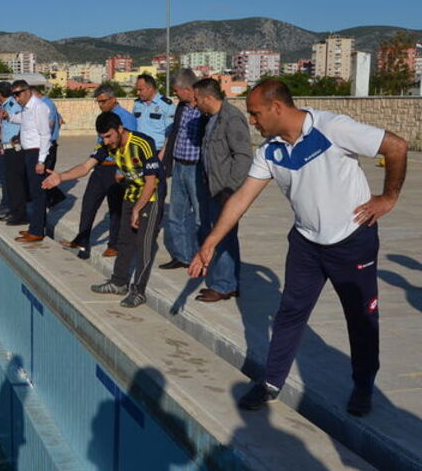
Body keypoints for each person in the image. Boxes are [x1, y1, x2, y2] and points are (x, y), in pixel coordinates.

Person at [188, 79, 408, 416]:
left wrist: (388, 197)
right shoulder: (270, 151)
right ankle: (271, 381)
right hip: (306, 243)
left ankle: (363, 387)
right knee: (290, 311)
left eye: (255, 113)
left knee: (361, 318)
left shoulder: (332, 128)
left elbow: (396, 147)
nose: (252, 121)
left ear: (276, 107)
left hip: (352, 241)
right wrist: (210, 242)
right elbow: (242, 198)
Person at [45, 112, 165, 307]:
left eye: (109, 136)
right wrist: (61, 177)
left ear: (120, 129)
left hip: (151, 196)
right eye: (103, 137)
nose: (107, 141)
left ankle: (138, 291)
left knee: (143, 244)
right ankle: (118, 283)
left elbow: (151, 183)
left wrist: (137, 209)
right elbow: (85, 167)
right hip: (131, 193)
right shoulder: (106, 145)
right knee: (124, 240)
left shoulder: (142, 143)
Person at [190, 78, 252, 302]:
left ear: (207, 98)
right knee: (223, 235)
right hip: (213, 187)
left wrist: (231, 188)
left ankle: (224, 285)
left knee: (224, 236)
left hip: (225, 191)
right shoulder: (212, 119)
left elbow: (243, 156)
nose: (194, 104)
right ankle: (229, 282)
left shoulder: (231, 118)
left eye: (196, 99)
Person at [59, 84, 137, 259]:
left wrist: (121, 170)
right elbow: (97, 150)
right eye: (98, 102)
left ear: (113, 99)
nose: (101, 105)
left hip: (115, 168)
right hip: (101, 165)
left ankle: (114, 244)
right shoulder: (103, 118)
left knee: (115, 208)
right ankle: (82, 240)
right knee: (89, 203)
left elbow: (128, 147)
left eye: (103, 101)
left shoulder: (126, 118)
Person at [159, 69, 204, 270]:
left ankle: (202, 257)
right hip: (179, 166)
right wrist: (165, 159)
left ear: (187, 89)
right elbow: (175, 133)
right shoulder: (182, 107)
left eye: (176, 90)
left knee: (201, 216)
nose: (175, 94)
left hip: (197, 168)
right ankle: (183, 256)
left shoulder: (204, 108)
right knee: (177, 214)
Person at [8, 80, 52, 242]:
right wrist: (8, 116)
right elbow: (22, 120)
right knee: (32, 192)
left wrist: (41, 160)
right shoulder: (26, 109)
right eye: (14, 95)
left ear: (27, 91)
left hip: (36, 153)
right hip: (28, 152)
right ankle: (34, 226)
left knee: (37, 193)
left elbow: (45, 134)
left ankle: (37, 231)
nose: (16, 98)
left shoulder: (38, 107)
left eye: (18, 94)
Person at [0, 82, 27, 226]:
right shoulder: (6, 105)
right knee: (10, 182)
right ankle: (13, 210)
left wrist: (18, 140)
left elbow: (22, 122)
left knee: (15, 183)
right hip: (8, 148)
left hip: (15, 147)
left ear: (0, 93)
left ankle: (19, 213)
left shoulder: (13, 104)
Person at [33, 86, 66, 208]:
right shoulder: (45, 103)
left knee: (45, 173)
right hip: (45, 143)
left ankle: (56, 196)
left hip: (49, 144)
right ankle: (50, 198)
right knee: (42, 174)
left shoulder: (46, 104)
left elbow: (50, 123)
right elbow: (60, 120)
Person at [132, 73, 175, 153]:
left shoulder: (166, 105)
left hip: (158, 151)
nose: (137, 93)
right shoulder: (137, 104)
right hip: (139, 150)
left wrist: (162, 154)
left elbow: (170, 134)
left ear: (150, 88)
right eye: (137, 90)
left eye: (140, 90)